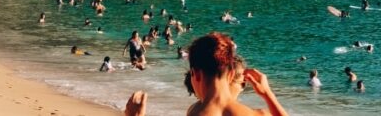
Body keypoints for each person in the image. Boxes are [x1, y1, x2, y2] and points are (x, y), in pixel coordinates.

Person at [123, 31, 288, 116]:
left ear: (196, 74)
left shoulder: (195, 112)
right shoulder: (258, 114)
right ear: (231, 75)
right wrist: (268, 94)